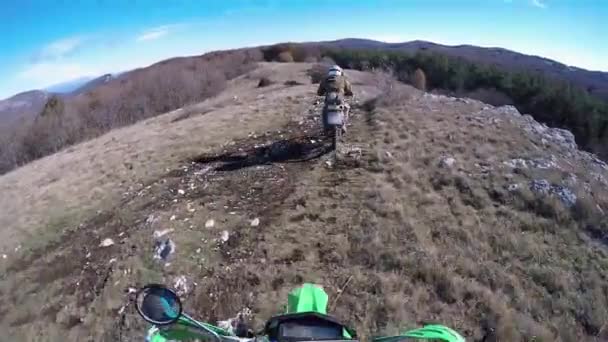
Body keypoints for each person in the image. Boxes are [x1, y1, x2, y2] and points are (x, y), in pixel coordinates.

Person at [317, 65, 353, 133]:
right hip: (339, 100)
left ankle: (326, 128)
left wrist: (322, 93)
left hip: (328, 101)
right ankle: (343, 125)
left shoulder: (325, 79)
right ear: (339, 72)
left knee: (324, 111)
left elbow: (319, 92)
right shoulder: (343, 79)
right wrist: (349, 93)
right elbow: (348, 90)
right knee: (346, 108)